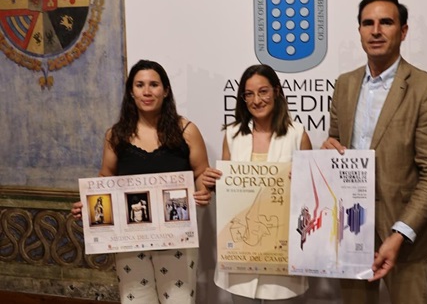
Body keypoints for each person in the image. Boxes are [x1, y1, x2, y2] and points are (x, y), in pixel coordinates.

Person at [321, 0, 427, 304]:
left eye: (386, 22)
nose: (376, 30)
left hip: (404, 237)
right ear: (359, 31)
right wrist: (328, 150)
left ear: (403, 31)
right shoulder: (344, 84)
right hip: (352, 230)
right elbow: (336, 146)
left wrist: (400, 234)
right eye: (368, 23)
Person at [71, 59, 213, 304]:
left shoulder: (186, 131)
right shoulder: (116, 135)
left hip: (176, 236)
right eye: (140, 85)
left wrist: (203, 190)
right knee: (136, 299)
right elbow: (106, 177)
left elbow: (201, 172)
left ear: (165, 90)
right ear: (131, 91)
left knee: (179, 300)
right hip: (129, 239)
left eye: (154, 84)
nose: (147, 91)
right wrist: (90, 204)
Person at [202, 64, 312, 304]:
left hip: (282, 254)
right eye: (249, 94)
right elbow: (227, 189)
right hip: (241, 254)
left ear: (276, 92)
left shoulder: (297, 134)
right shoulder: (232, 134)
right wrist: (213, 183)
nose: (257, 100)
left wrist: (303, 180)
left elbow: (313, 194)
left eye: (263, 91)